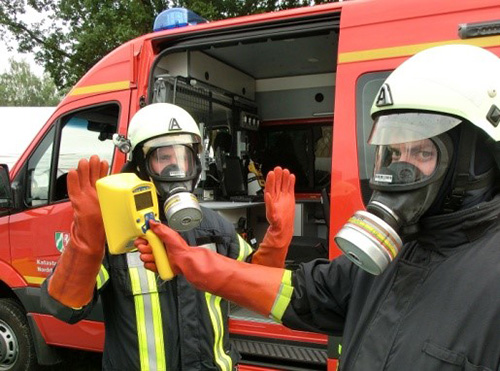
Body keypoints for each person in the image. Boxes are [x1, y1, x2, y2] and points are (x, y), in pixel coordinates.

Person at [135, 44, 500, 370]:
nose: (399, 168)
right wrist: (195, 264)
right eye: (394, 151)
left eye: (422, 152)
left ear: (478, 156)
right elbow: (305, 293)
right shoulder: (399, 251)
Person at [41, 102, 296, 370]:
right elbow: (65, 307)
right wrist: (86, 241)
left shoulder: (214, 227)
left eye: (183, 157)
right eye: (164, 158)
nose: (177, 169)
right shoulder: (116, 233)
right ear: (139, 165)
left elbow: (258, 287)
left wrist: (278, 236)